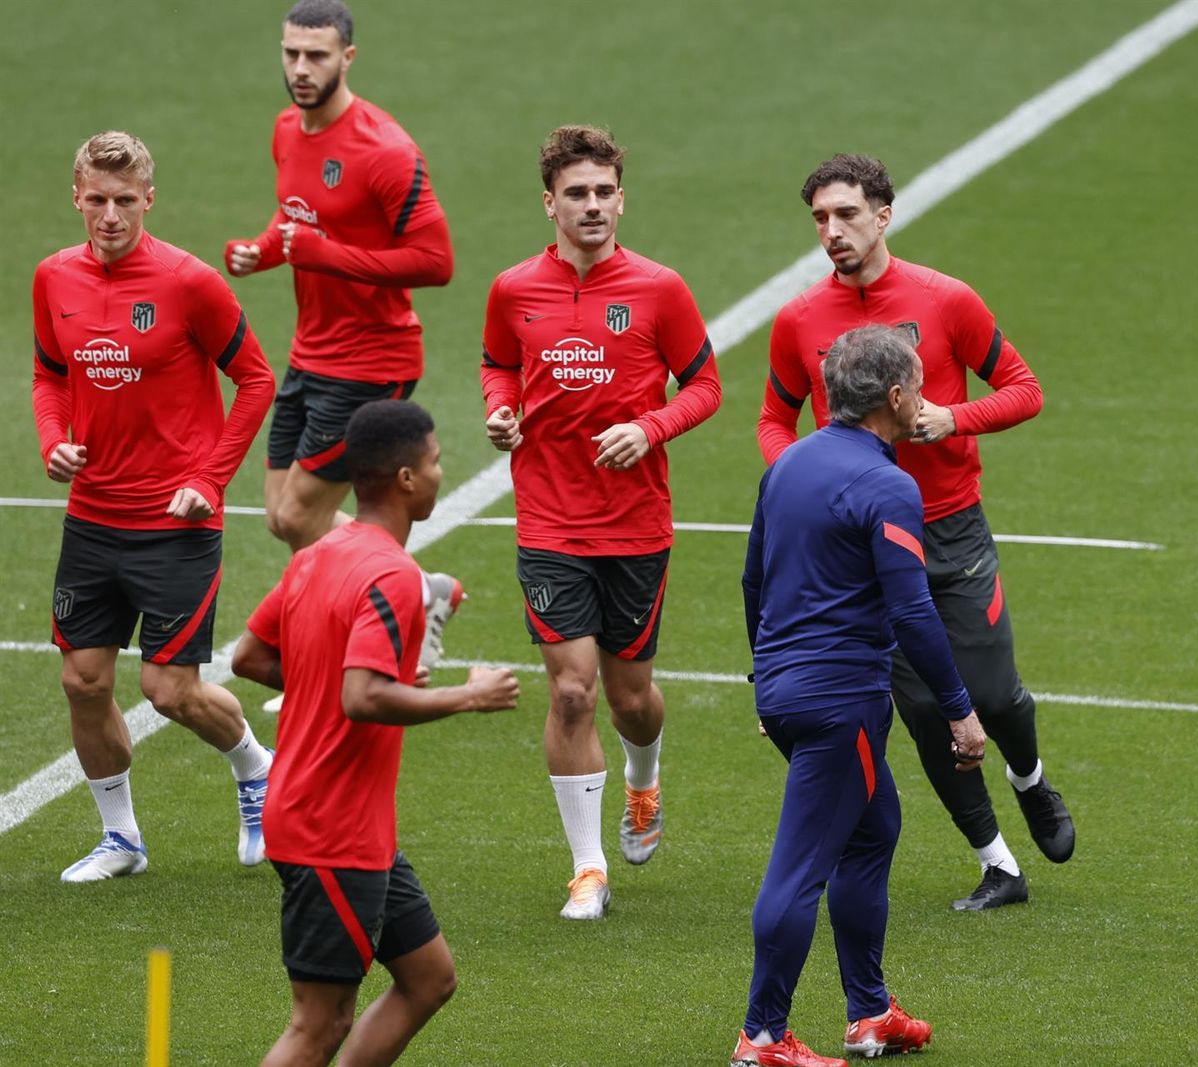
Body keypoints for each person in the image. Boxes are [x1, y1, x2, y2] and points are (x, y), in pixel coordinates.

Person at [757, 154, 1071, 911]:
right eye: (820, 220)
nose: (832, 232)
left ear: (884, 215)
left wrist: (952, 417)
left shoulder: (946, 301)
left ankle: (1029, 779)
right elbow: (775, 420)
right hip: (861, 546)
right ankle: (998, 863)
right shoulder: (800, 320)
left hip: (951, 531)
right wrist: (805, 474)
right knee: (926, 711)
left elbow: (1026, 389)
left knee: (992, 695)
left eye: (846, 215)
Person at [481, 124, 722, 920]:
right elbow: (496, 365)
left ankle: (644, 779)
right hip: (549, 519)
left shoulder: (660, 288)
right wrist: (500, 412)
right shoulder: (514, 289)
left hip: (637, 523)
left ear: (623, 197)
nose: (592, 206)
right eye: (577, 194)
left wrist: (650, 427)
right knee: (574, 691)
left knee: (631, 697)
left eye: (604, 192)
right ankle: (587, 868)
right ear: (548, 202)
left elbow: (705, 384)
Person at [233, 399, 520, 1066]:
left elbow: (250, 655)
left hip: (347, 822)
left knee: (428, 978)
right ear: (406, 479)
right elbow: (362, 697)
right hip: (330, 826)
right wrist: (468, 696)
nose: (442, 471)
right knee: (318, 1022)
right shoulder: (392, 574)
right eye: (437, 460)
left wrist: (330, 690)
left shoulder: (318, 553)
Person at [734, 325, 987, 1067]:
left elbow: (754, 579)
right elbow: (911, 611)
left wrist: (767, 679)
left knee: (873, 829)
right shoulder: (888, 484)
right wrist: (959, 710)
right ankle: (764, 1035)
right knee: (802, 865)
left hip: (789, 688)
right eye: (921, 387)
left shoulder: (789, 464)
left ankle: (870, 1012)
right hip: (840, 698)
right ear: (899, 396)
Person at [31, 131, 278, 881]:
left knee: (169, 690)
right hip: (92, 516)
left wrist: (210, 478)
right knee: (84, 681)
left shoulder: (189, 282)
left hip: (176, 524)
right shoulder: (53, 279)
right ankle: (122, 839)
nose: (110, 216)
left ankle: (256, 769)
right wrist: (53, 442)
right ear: (76, 197)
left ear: (149, 199)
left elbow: (257, 379)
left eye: (125, 201)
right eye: (97, 201)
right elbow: (49, 375)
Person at [224, 0, 461, 683]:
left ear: (347, 58)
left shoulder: (384, 149)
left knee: (302, 513)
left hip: (373, 358)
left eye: (317, 55)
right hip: (310, 351)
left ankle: (334, 651)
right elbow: (296, 218)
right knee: (280, 515)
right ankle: (416, 589)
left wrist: (326, 255)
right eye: (292, 54)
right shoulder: (285, 131)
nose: (301, 68)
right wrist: (264, 251)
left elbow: (436, 261)